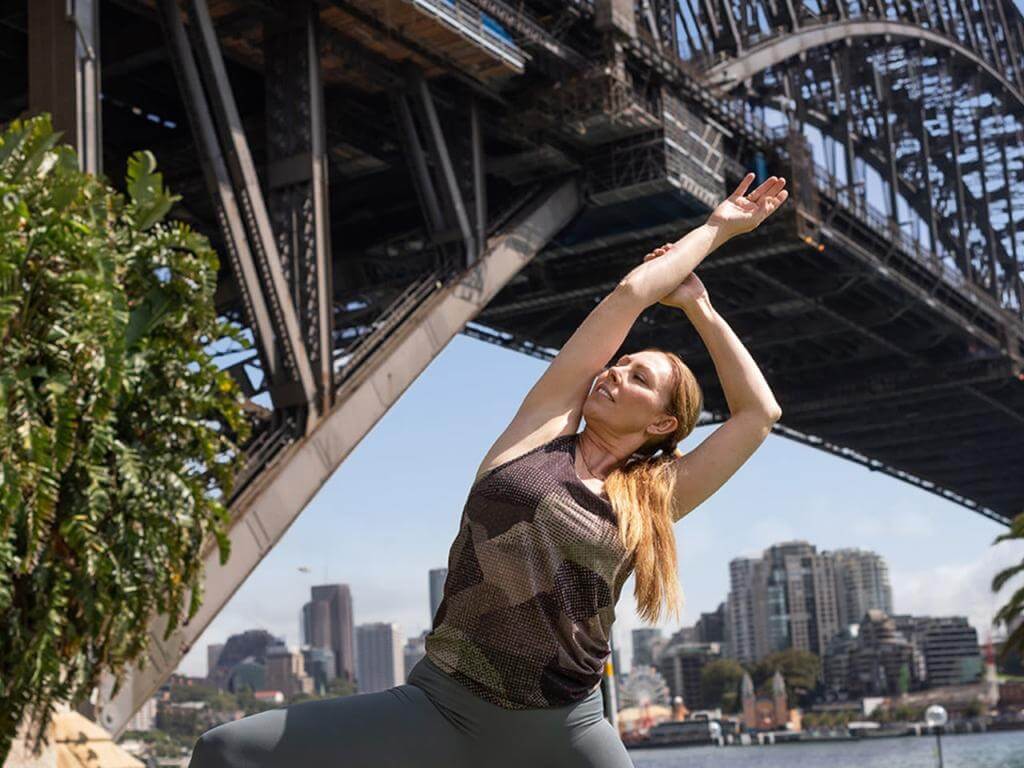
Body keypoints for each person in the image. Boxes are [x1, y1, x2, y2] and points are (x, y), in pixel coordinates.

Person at [187, 171, 789, 767]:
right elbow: (628, 296)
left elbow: (758, 415)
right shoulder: (541, 431)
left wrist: (702, 310)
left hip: (567, 732)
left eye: (639, 378)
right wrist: (715, 229)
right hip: (442, 707)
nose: (614, 373)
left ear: (662, 424)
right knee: (226, 751)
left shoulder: (654, 498)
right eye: (620, 362)